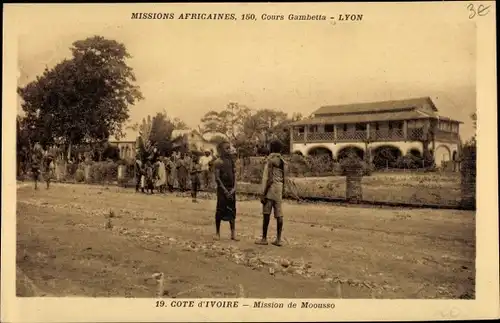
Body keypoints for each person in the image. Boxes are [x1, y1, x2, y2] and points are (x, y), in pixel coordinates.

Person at [255, 140, 286, 247]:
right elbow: (284, 178)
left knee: (266, 213)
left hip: (271, 189)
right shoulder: (282, 161)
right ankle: (278, 239)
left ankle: (264, 238)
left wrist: (263, 193)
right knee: (279, 214)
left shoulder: (271, 161)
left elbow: (269, 179)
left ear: (271, 149)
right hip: (279, 189)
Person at [213, 141, 238, 241]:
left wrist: (234, 188)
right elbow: (217, 178)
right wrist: (224, 190)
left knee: (232, 210)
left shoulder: (231, 161)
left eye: (229, 148)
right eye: (226, 148)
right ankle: (217, 233)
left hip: (231, 190)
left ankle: (233, 233)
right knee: (220, 210)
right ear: (221, 150)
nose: (229, 150)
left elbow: (235, 175)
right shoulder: (218, 162)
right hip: (222, 190)